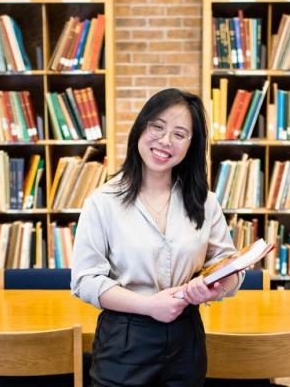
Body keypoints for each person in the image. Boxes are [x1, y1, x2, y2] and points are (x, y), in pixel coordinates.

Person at [71, 88, 244, 386]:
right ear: (141, 127)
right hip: (124, 337)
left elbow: (228, 264)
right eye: (158, 127)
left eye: (179, 134)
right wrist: (149, 306)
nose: (165, 141)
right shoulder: (102, 201)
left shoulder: (205, 202)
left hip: (186, 336)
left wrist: (216, 289)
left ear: (191, 145)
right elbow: (84, 280)